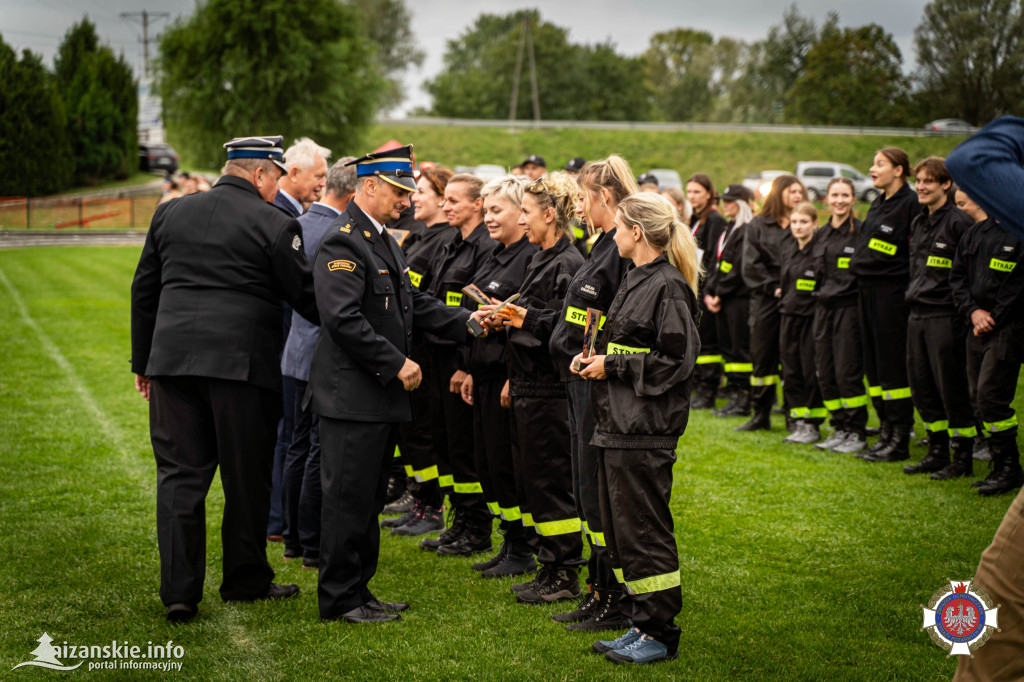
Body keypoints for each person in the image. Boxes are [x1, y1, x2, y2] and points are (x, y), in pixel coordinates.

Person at [130, 135, 318, 623]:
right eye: (276, 178)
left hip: (171, 364)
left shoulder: (171, 212)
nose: (278, 188)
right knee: (246, 478)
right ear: (260, 175)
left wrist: (143, 362)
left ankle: (179, 592)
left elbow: (144, 289)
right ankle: (244, 579)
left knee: (178, 478)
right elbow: (307, 297)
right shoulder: (275, 222)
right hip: (242, 369)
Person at [307, 144, 476, 624]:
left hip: (374, 397)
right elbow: (342, 318)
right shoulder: (345, 240)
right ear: (370, 186)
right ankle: (340, 598)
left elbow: (413, 304)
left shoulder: (381, 238)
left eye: (408, 191)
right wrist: (396, 362)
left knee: (367, 499)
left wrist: (468, 321)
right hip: (352, 395)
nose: (406, 200)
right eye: (399, 191)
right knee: (347, 501)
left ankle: (359, 590)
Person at [574, 192, 700, 665]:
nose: (614, 233)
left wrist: (614, 365)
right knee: (623, 532)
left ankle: (660, 632)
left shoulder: (668, 286)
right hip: (616, 426)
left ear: (638, 233)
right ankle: (641, 622)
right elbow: (625, 346)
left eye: (621, 226)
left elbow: (676, 361)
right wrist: (594, 359)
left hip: (644, 430)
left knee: (645, 531)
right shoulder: (635, 277)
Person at [538, 156, 636, 630]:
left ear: (606, 198)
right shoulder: (602, 245)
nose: (579, 204)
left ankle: (613, 597)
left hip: (593, 384)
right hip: (576, 380)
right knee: (584, 491)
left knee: (597, 494)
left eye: (584, 195)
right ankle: (598, 590)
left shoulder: (620, 246)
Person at [945, 116, 1024, 682]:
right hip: (977, 318)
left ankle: (1003, 463)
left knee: (994, 618)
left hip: (1004, 325)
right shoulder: (976, 230)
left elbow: (973, 159)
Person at [487, 172, 585, 604]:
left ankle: (564, 574)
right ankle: (548, 565)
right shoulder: (537, 257)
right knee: (532, 484)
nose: (522, 221)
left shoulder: (569, 264)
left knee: (551, 483)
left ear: (550, 214)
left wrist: (523, 318)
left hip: (550, 392)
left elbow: (570, 332)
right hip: (527, 384)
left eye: (526, 212)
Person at [279, 156, 357, 570]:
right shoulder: (334, 230)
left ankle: (294, 537)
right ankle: (310, 542)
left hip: (295, 351)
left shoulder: (302, 223)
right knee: (314, 450)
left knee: (296, 447)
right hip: (317, 353)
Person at [459, 175, 539, 577]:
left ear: (521, 213)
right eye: (486, 210)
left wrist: (513, 376)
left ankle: (523, 547)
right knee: (489, 464)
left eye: (496, 210)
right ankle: (510, 541)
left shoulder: (528, 258)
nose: (487, 217)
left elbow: (526, 325)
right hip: (484, 371)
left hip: (508, 376)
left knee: (509, 465)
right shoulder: (495, 253)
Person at [420, 174, 494, 556]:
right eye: (444, 200)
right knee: (445, 443)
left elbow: (476, 310)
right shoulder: (453, 242)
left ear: (476, 204)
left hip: (460, 356)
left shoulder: (485, 246)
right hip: (438, 355)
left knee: (464, 446)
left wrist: (465, 364)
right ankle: (459, 519)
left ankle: (476, 526)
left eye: (453, 200)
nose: (446, 206)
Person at [384, 166, 457, 537]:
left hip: (428, 352)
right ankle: (419, 501)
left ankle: (431, 506)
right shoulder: (421, 236)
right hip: (413, 348)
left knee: (424, 434)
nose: (415, 198)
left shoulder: (444, 239)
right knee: (412, 433)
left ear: (443, 199)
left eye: (423, 191)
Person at [267, 137, 332, 542]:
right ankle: (281, 524)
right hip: (286, 342)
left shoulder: (295, 215)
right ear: (293, 173)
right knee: (290, 439)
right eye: (318, 175)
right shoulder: (281, 217)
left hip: (289, 342)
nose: (322, 183)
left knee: (288, 438)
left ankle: (281, 524)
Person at [901, 157, 976, 478]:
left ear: (946, 184)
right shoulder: (919, 222)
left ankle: (962, 458)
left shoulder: (959, 223)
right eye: (918, 181)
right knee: (922, 386)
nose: (921, 187)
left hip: (945, 317)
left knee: (951, 387)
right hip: (916, 315)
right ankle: (936, 450)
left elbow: (970, 274)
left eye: (928, 181)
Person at [950, 186, 1024, 496]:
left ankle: (1010, 469)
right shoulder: (975, 233)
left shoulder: (1018, 233)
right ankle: (998, 465)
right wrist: (973, 312)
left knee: (992, 395)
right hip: (976, 325)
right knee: (977, 397)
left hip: (1006, 329)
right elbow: (957, 279)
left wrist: (991, 317)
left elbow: (1018, 286)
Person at [850, 148, 919, 462]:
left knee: (892, 367)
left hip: (891, 295)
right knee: (874, 367)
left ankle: (901, 437)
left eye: (879, 164)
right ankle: (887, 430)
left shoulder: (911, 204)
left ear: (899, 170)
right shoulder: (878, 203)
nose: (872, 168)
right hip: (866, 292)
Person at [738, 175, 805, 431]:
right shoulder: (758, 225)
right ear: (778, 194)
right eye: (792, 191)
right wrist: (775, 288)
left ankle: (794, 415)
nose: (798, 196)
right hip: (766, 302)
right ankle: (761, 414)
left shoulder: (803, 224)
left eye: (800, 192)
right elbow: (750, 266)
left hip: (796, 301)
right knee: (762, 358)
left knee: (793, 358)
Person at [810, 178, 868, 454]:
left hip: (848, 308)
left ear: (854, 198)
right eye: (835, 195)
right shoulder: (820, 234)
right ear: (827, 199)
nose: (840, 200)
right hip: (823, 309)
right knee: (825, 371)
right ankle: (839, 427)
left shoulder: (861, 232)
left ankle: (857, 431)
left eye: (845, 195)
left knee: (847, 371)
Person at [704, 184, 753, 418]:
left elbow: (739, 269)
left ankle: (744, 398)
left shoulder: (747, 229)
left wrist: (719, 293)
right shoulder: (728, 228)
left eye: (730, 200)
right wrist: (710, 292)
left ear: (741, 203)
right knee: (728, 349)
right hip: (722, 298)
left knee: (740, 350)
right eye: (723, 200)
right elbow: (716, 263)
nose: (725, 204)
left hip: (738, 299)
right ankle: (734, 395)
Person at [777, 202, 824, 444]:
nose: (798, 226)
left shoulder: (819, 252)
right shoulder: (790, 250)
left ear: (815, 223)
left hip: (810, 319)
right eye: (794, 222)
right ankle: (798, 422)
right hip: (788, 316)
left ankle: (813, 425)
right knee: (791, 370)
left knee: (809, 371)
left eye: (803, 222)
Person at [687, 174, 728, 410]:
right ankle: (697, 385)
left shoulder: (715, 220)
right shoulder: (696, 220)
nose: (692, 196)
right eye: (689, 192)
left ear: (709, 194)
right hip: (694, 289)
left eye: (697, 192)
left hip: (706, 291)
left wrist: (710, 290)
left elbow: (713, 259)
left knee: (708, 344)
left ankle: (708, 390)